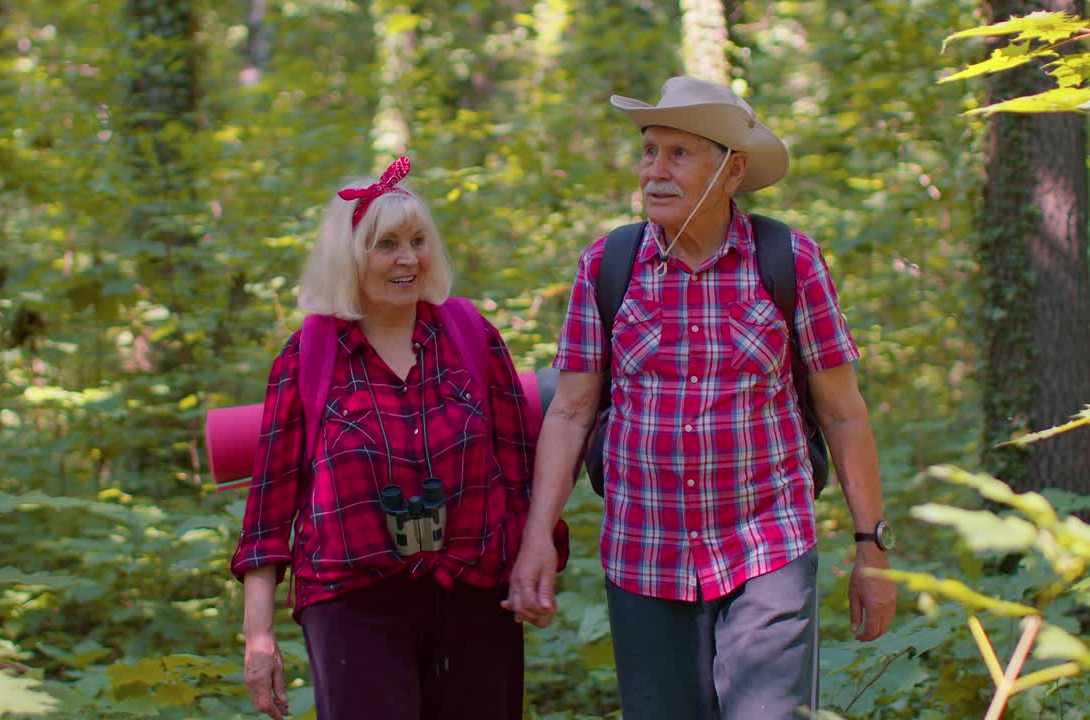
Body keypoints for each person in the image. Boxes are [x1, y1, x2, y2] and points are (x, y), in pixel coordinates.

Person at [503, 76, 897, 719]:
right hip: (643, 553)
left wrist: (870, 549)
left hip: (767, 546)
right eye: (648, 151)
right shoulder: (607, 266)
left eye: (678, 154)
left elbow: (843, 412)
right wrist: (537, 535)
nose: (654, 171)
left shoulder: (790, 261)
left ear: (732, 170)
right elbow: (570, 412)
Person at [231, 157, 556, 720]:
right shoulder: (308, 357)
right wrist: (258, 636)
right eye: (386, 245)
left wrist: (535, 559)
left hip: (474, 597)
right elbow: (268, 512)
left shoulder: (471, 336)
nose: (408, 259)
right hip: (351, 606)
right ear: (349, 258)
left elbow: (518, 475)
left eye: (417, 241)